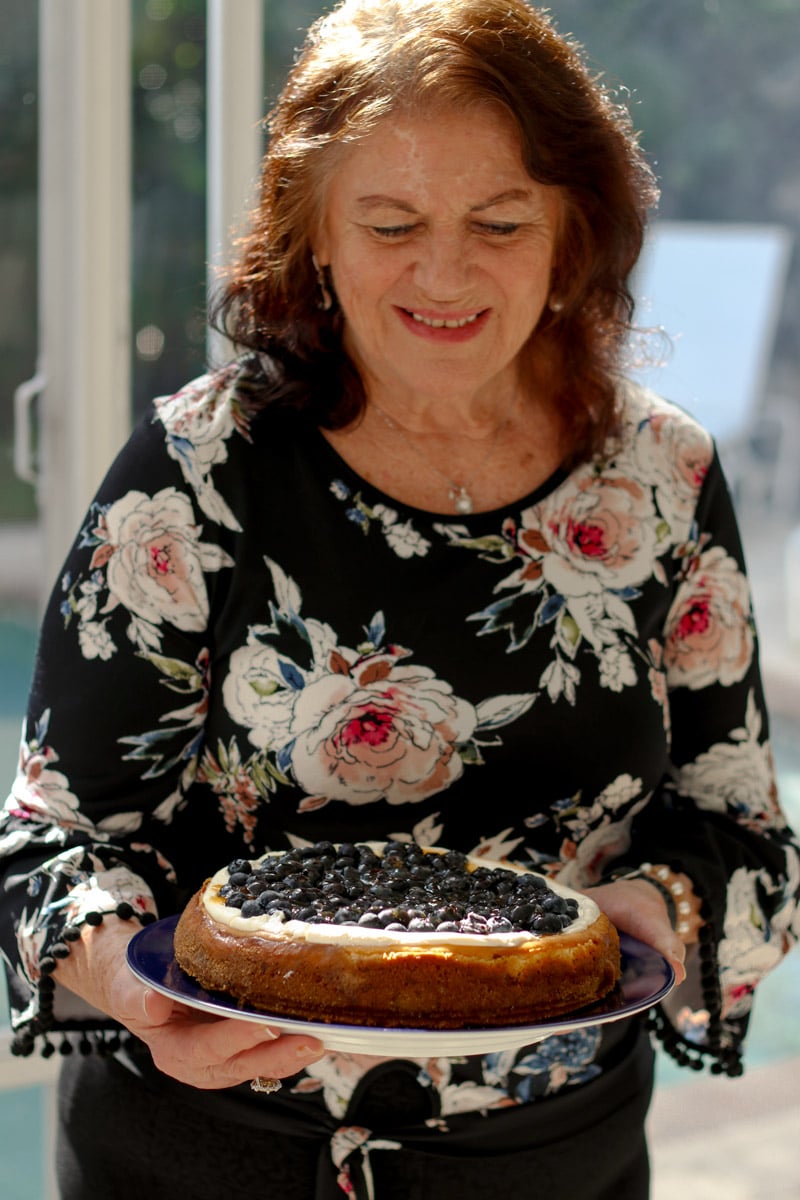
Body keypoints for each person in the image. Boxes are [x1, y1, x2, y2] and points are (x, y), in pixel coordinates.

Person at [1, 1, 798, 1197]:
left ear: (569, 234)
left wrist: (618, 930)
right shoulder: (201, 467)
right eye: (389, 222)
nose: (443, 271)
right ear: (312, 235)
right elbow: (52, 842)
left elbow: (744, 841)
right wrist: (130, 988)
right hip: (203, 1154)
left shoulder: (660, 477)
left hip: (552, 1162)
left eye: (498, 221)